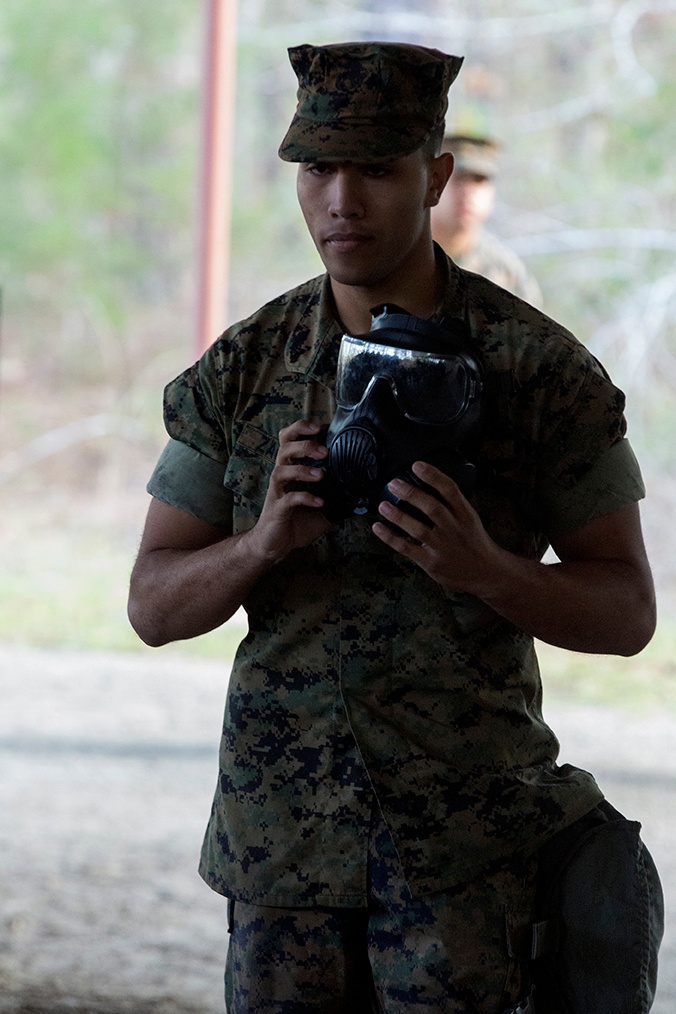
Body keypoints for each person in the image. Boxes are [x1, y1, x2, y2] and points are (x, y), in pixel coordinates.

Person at [128, 41, 659, 1014]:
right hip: (281, 855)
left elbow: (625, 611)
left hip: (461, 857)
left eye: (376, 168)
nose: (342, 200)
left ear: (436, 177)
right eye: (319, 169)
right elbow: (153, 608)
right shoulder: (243, 369)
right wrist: (258, 544)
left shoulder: (538, 372)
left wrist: (487, 569)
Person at [431, 133, 542, 305]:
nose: (468, 192)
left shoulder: (507, 277)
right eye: (459, 177)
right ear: (433, 182)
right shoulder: (395, 257)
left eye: (479, 179)